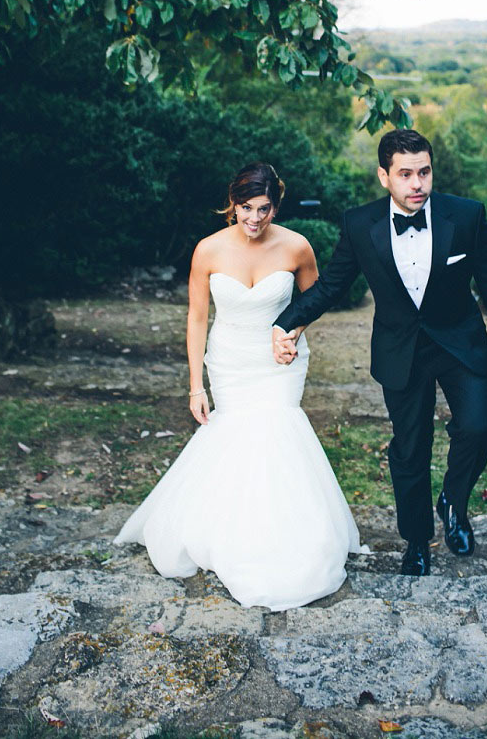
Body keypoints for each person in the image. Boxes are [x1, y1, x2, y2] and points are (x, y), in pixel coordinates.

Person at [272, 129, 487, 577]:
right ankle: (416, 540)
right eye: (406, 174)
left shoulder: (466, 217)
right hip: (401, 350)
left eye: (424, 172)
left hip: (459, 343)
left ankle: (453, 498)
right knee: (410, 449)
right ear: (383, 176)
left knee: (478, 426)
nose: (417, 184)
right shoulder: (359, 223)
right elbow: (332, 285)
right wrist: (285, 322)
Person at [113, 162, 363, 610]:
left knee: (275, 434)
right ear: (233, 203)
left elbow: (314, 300)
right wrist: (195, 385)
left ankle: (282, 539)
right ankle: (231, 533)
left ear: (276, 206)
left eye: (264, 209)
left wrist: (291, 334)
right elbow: (196, 318)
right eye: (246, 207)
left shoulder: (297, 247)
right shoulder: (207, 250)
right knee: (238, 440)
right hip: (229, 362)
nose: (254, 218)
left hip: (279, 364)